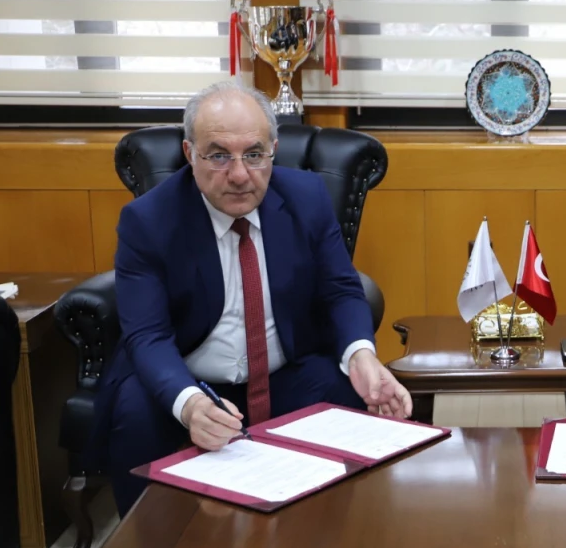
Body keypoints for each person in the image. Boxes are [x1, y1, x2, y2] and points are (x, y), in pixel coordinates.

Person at [94, 81, 411, 515]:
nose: (240, 174)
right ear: (190, 154)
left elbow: (340, 289)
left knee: (350, 398)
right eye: (218, 155)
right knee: (135, 415)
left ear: (273, 151)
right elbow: (147, 335)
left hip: (285, 372)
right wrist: (190, 404)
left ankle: (332, 537)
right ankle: (151, 547)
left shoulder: (307, 198)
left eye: (255, 154)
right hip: (188, 374)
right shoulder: (148, 221)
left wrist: (361, 356)